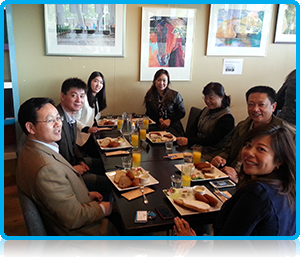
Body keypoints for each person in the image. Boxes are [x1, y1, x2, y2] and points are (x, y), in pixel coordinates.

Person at [16, 97, 116, 236]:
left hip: (77, 212)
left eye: (58, 118)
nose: (58, 124)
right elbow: (74, 218)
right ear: (30, 128)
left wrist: (86, 196)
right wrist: (103, 209)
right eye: (50, 120)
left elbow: (56, 197)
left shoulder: (31, 149)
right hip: (83, 236)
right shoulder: (46, 169)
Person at [174, 123, 295, 237]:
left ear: (279, 160)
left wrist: (192, 244)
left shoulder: (257, 193)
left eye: (261, 149)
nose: (249, 153)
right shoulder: (286, 188)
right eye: (248, 145)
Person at [211, 85, 295, 183]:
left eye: (261, 104)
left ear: (273, 107)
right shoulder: (243, 126)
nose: (255, 109)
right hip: (229, 176)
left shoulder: (286, 135)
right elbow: (229, 149)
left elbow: (289, 175)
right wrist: (221, 158)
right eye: (251, 104)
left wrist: (239, 179)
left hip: (258, 185)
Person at [56, 78, 112, 202]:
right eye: (74, 95)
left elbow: (73, 146)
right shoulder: (56, 121)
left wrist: (80, 160)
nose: (79, 100)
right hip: (66, 174)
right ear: (62, 96)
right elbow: (51, 157)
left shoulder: (69, 116)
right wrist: (72, 169)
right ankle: (102, 210)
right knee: (110, 183)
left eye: (82, 96)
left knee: (107, 164)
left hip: (74, 163)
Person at [176, 82, 234, 161]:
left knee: (182, 163)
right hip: (197, 149)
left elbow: (212, 140)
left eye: (211, 98)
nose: (207, 101)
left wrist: (189, 141)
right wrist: (189, 142)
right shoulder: (206, 110)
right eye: (205, 98)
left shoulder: (227, 118)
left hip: (213, 154)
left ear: (221, 97)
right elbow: (193, 128)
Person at [144, 69, 186, 137]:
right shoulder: (150, 95)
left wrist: (169, 120)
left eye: (164, 80)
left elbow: (182, 113)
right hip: (156, 126)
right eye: (159, 80)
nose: (161, 83)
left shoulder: (175, 95)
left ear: (168, 82)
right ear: (155, 81)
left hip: (173, 127)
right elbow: (149, 113)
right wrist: (159, 119)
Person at [75, 71, 107, 157]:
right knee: (102, 153)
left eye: (101, 83)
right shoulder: (83, 98)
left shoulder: (95, 98)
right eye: (96, 81)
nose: (98, 85)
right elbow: (73, 119)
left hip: (91, 134)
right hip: (81, 137)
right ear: (90, 82)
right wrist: (87, 129)